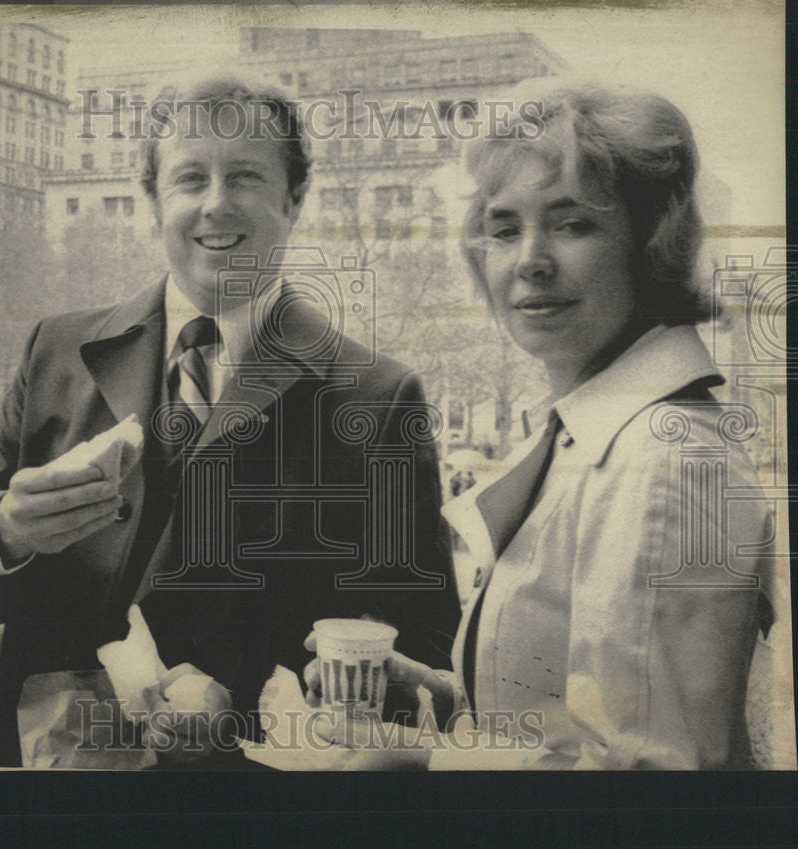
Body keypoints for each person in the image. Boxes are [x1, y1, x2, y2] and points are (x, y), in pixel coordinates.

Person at [0, 72, 459, 766]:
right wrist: (7, 529)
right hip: (28, 778)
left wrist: (251, 713)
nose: (216, 205)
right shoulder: (55, 348)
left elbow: (423, 655)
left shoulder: (377, 397)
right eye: (190, 178)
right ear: (152, 201)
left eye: (247, 178)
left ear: (294, 200)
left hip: (235, 804)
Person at [304, 80, 775, 770]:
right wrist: (431, 694)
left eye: (572, 222)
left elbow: (653, 793)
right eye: (503, 228)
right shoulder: (592, 429)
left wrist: (421, 760)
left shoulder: (667, 460)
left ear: (650, 243)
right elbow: (564, 725)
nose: (529, 258)